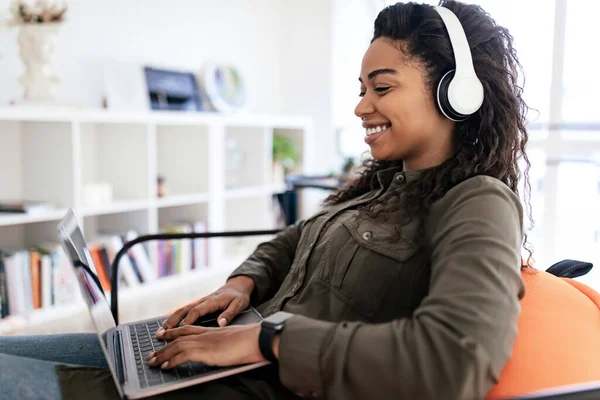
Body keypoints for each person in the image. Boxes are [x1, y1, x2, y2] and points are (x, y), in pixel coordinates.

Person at [0, 1, 531, 399]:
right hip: (231, 356)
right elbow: (296, 237)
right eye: (360, 88)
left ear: (455, 92)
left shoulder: (477, 202)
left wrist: (266, 341)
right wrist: (242, 282)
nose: (360, 106)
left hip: (255, 384)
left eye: (382, 88)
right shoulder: (384, 184)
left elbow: (455, 359)